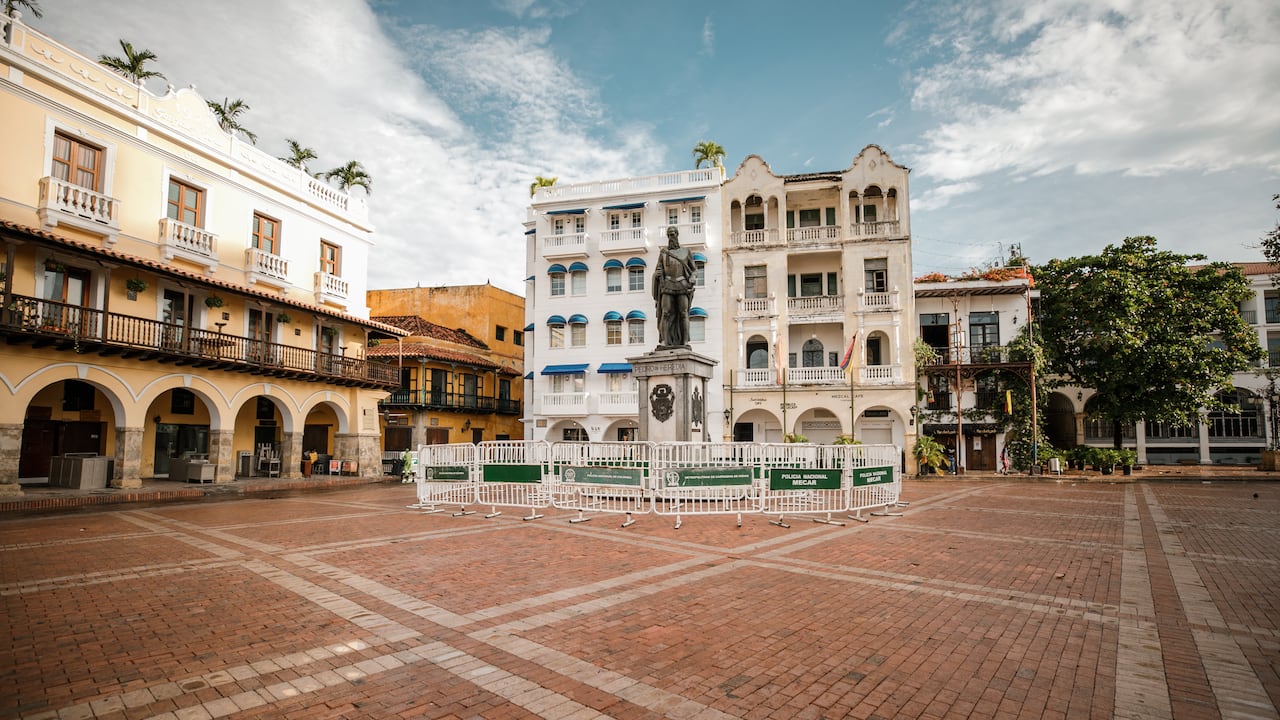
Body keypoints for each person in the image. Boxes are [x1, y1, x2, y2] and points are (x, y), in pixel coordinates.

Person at [652, 226, 697, 349]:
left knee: (684, 313)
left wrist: (693, 277)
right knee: (665, 313)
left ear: (677, 235)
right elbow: (659, 268)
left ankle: (685, 342)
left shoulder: (686, 251)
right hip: (667, 285)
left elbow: (694, 270)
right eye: (669, 235)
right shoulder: (663, 252)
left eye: (673, 234)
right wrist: (658, 274)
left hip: (682, 285)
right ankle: (665, 341)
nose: (671, 237)